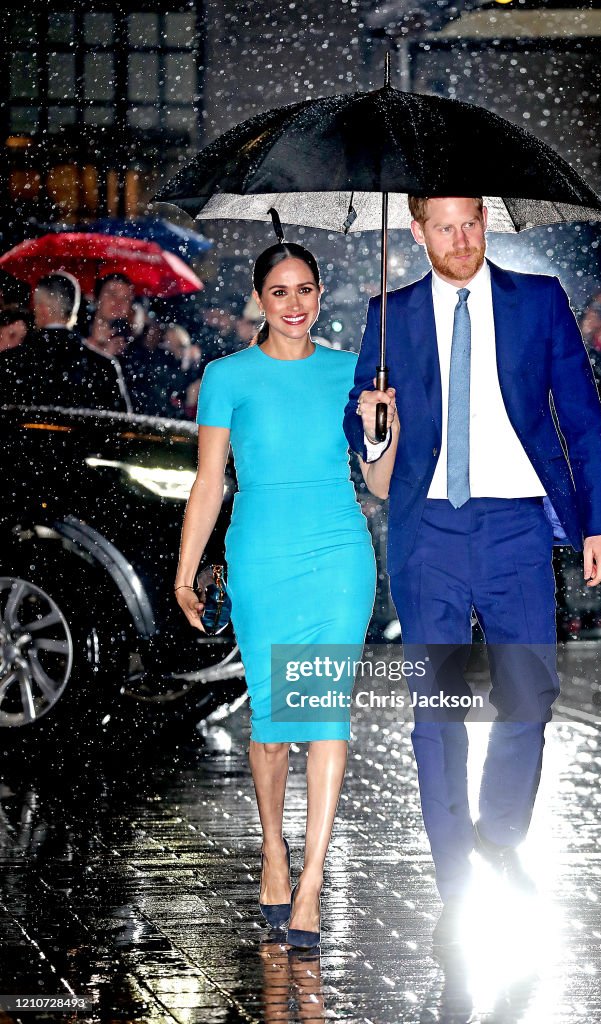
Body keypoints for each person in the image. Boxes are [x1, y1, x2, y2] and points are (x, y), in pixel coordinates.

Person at [343, 196, 601, 947]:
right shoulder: (389, 312)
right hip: (426, 531)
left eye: (471, 223)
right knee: (435, 713)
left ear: (485, 223)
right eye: (445, 227)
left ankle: (498, 835)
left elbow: (582, 418)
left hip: (516, 527)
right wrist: (372, 424)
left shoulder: (536, 300)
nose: (461, 239)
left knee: (529, 691)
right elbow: (359, 419)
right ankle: (454, 878)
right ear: (417, 232)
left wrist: (600, 522)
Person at [175, 242, 376, 948]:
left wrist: (378, 434)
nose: (295, 304)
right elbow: (208, 482)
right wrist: (184, 571)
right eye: (280, 291)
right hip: (259, 554)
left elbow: (378, 485)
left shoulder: (353, 374)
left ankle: (314, 877)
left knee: (323, 713)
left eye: (307, 289)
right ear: (259, 299)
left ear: (321, 296)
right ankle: (272, 848)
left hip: (338, 556)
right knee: (271, 723)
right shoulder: (227, 376)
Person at [1, 272, 131, 412]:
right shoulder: (103, 366)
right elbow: (123, 425)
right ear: (73, 307)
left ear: (42, 308)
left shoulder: (12, 361)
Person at [86, 273, 136, 356]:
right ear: (97, 299)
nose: (119, 302)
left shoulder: (132, 350)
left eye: (125, 298)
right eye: (113, 294)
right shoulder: (76, 337)